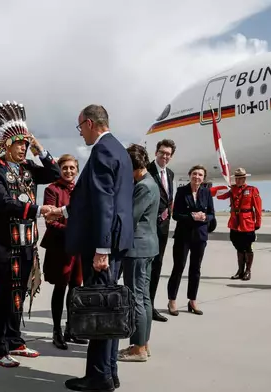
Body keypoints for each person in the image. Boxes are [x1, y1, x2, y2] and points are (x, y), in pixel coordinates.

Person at [47, 104, 134, 391]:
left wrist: (101, 249)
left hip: (104, 244)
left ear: (89, 123)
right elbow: (91, 201)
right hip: (118, 241)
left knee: (99, 311)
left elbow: (104, 204)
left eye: (79, 127)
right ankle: (109, 371)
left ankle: (98, 376)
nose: (80, 133)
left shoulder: (102, 151)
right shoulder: (119, 149)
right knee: (110, 307)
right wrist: (63, 213)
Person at [0, 105, 61, 368]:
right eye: (20, 144)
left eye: (26, 144)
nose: (24, 148)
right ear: (7, 144)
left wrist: (39, 147)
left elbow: (55, 174)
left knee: (19, 295)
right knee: (1, 297)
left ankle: (14, 339)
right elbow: (2, 203)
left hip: (26, 246)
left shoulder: (29, 169)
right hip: (4, 246)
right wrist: (38, 209)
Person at [40, 154, 88, 350]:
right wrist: (73, 231)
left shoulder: (82, 190)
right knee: (60, 288)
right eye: (65, 167)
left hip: (78, 248)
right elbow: (51, 221)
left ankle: (71, 329)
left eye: (72, 168)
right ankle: (56, 331)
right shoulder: (52, 190)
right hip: (60, 246)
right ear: (60, 169)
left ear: (77, 170)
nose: (69, 171)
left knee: (76, 288)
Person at [117, 143, 159, 362]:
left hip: (138, 248)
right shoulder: (150, 182)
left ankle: (138, 348)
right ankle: (143, 342)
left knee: (136, 298)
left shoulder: (143, 186)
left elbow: (130, 217)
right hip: (148, 246)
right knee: (144, 297)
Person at [166, 165, 214, 316]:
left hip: (200, 236)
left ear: (203, 178)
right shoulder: (181, 192)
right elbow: (176, 215)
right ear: (190, 175)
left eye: (200, 175)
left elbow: (212, 214)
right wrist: (192, 217)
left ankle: (192, 300)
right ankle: (172, 300)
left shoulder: (206, 192)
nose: (197, 177)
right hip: (183, 236)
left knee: (195, 269)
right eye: (194, 174)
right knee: (178, 268)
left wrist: (205, 217)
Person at [146, 139, 175, 323]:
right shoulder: (147, 171)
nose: (164, 156)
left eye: (168, 154)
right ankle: (138, 307)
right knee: (143, 270)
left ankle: (150, 307)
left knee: (157, 267)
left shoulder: (170, 174)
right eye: (162, 152)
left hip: (163, 230)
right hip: (147, 227)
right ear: (156, 152)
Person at [217, 167, 262, 280]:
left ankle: (248, 271)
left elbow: (257, 208)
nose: (238, 181)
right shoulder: (232, 190)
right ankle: (240, 271)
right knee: (238, 246)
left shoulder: (252, 190)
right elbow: (220, 197)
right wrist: (224, 188)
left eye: (240, 178)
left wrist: (258, 222)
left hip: (247, 223)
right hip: (235, 222)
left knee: (247, 247)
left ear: (244, 178)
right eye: (236, 178)